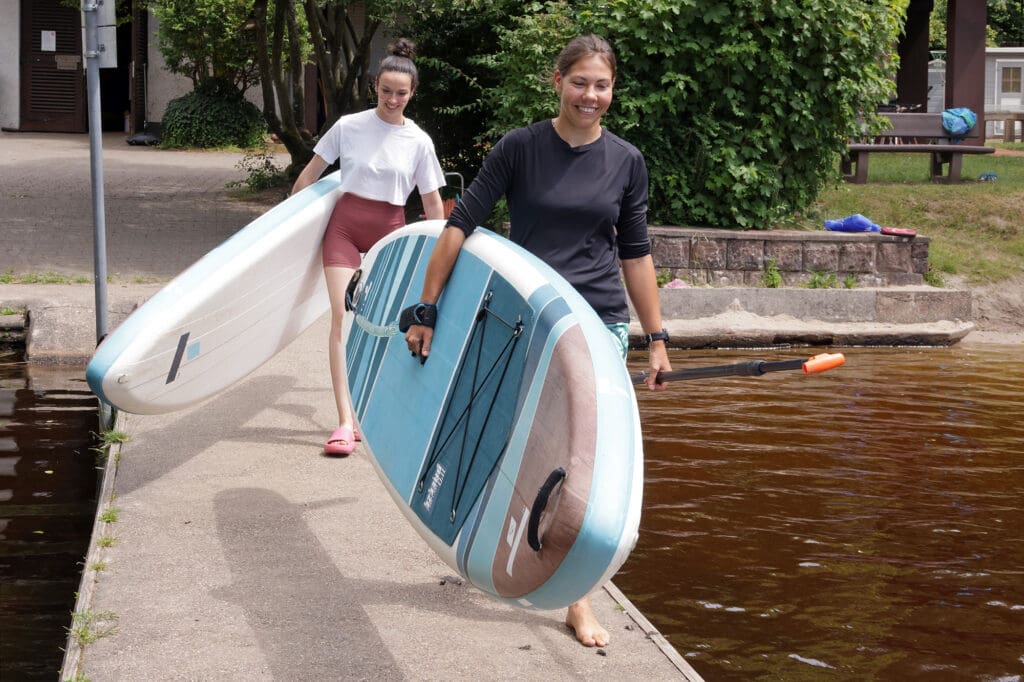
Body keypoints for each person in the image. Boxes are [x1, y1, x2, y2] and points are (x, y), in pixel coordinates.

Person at [403, 34, 672, 648]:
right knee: (527, 449)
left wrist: (655, 337)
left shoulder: (626, 160)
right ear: (557, 82)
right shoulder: (521, 148)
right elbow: (458, 226)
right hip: (538, 318)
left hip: (599, 324)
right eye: (580, 82)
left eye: (601, 85)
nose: (591, 95)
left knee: (585, 467)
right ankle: (501, 548)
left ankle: (576, 599)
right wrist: (426, 307)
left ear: (612, 90)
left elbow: (635, 254)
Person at [291, 38, 447, 456]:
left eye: (401, 93)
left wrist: (441, 257)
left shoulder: (419, 141)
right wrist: (287, 226)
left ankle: (373, 413)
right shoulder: (349, 126)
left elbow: (433, 205)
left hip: (390, 233)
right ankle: (344, 422)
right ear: (374, 86)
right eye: (386, 91)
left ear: (412, 93)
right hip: (343, 228)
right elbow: (309, 176)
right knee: (342, 320)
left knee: (379, 324)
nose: (393, 99)